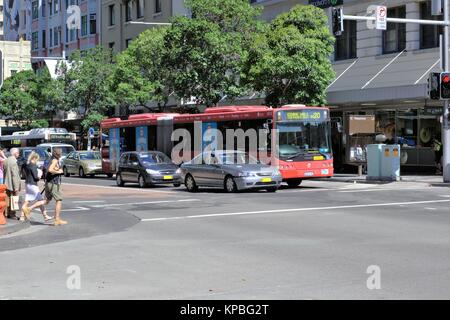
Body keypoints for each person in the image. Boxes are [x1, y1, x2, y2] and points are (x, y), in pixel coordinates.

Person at [21, 152, 53, 222]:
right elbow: (35, 177)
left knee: (28, 200)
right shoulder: (33, 166)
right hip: (33, 184)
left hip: (27, 183)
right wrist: (39, 176)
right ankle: (28, 209)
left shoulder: (27, 165)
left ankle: (22, 216)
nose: (37, 161)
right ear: (34, 158)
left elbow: (24, 172)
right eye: (37, 159)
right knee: (41, 200)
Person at [44, 148, 67, 226]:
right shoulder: (55, 160)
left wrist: (56, 169)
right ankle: (57, 219)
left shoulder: (51, 159)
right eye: (60, 153)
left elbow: (50, 169)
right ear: (59, 154)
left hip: (48, 182)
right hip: (53, 183)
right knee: (59, 200)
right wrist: (59, 172)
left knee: (47, 200)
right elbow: (50, 170)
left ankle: (28, 208)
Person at [3, 148, 21, 219]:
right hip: (12, 184)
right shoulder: (14, 161)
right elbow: (15, 175)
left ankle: (5, 213)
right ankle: (12, 214)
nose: (19, 154)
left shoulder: (6, 160)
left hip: (6, 183)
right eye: (18, 153)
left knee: (6, 199)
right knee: (14, 198)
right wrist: (16, 187)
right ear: (15, 153)